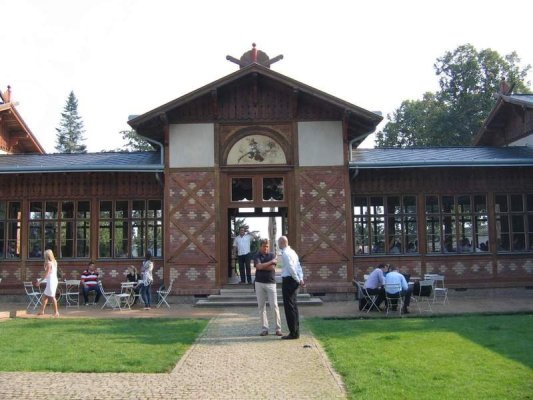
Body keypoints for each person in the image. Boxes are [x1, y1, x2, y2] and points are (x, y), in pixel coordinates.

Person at [253, 239, 282, 337]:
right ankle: (264, 329)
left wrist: (263, 265)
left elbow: (272, 268)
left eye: (267, 246)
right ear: (260, 246)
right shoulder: (257, 255)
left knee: (274, 306)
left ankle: (278, 329)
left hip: (271, 283)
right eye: (264, 246)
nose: (266, 248)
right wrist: (271, 262)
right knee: (261, 307)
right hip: (259, 283)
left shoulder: (272, 255)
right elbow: (258, 267)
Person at [278, 236, 305, 340]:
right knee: (294, 306)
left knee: (289, 307)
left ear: (282, 243)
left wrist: (298, 279)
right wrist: (300, 279)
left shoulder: (285, 253)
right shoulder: (293, 252)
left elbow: (291, 268)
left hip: (289, 280)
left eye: (279, 243)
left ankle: (293, 333)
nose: (278, 245)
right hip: (294, 280)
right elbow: (298, 266)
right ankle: (296, 332)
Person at [37, 249, 59, 317]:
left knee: (52, 297)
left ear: (47, 255)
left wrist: (40, 281)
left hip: (51, 281)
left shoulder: (49, 264)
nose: (44, 256)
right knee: (45, 296)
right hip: (52, 280)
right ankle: (42, 311)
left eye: (45, 255)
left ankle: (56, 313)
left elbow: (46, 274)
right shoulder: (54, 262)